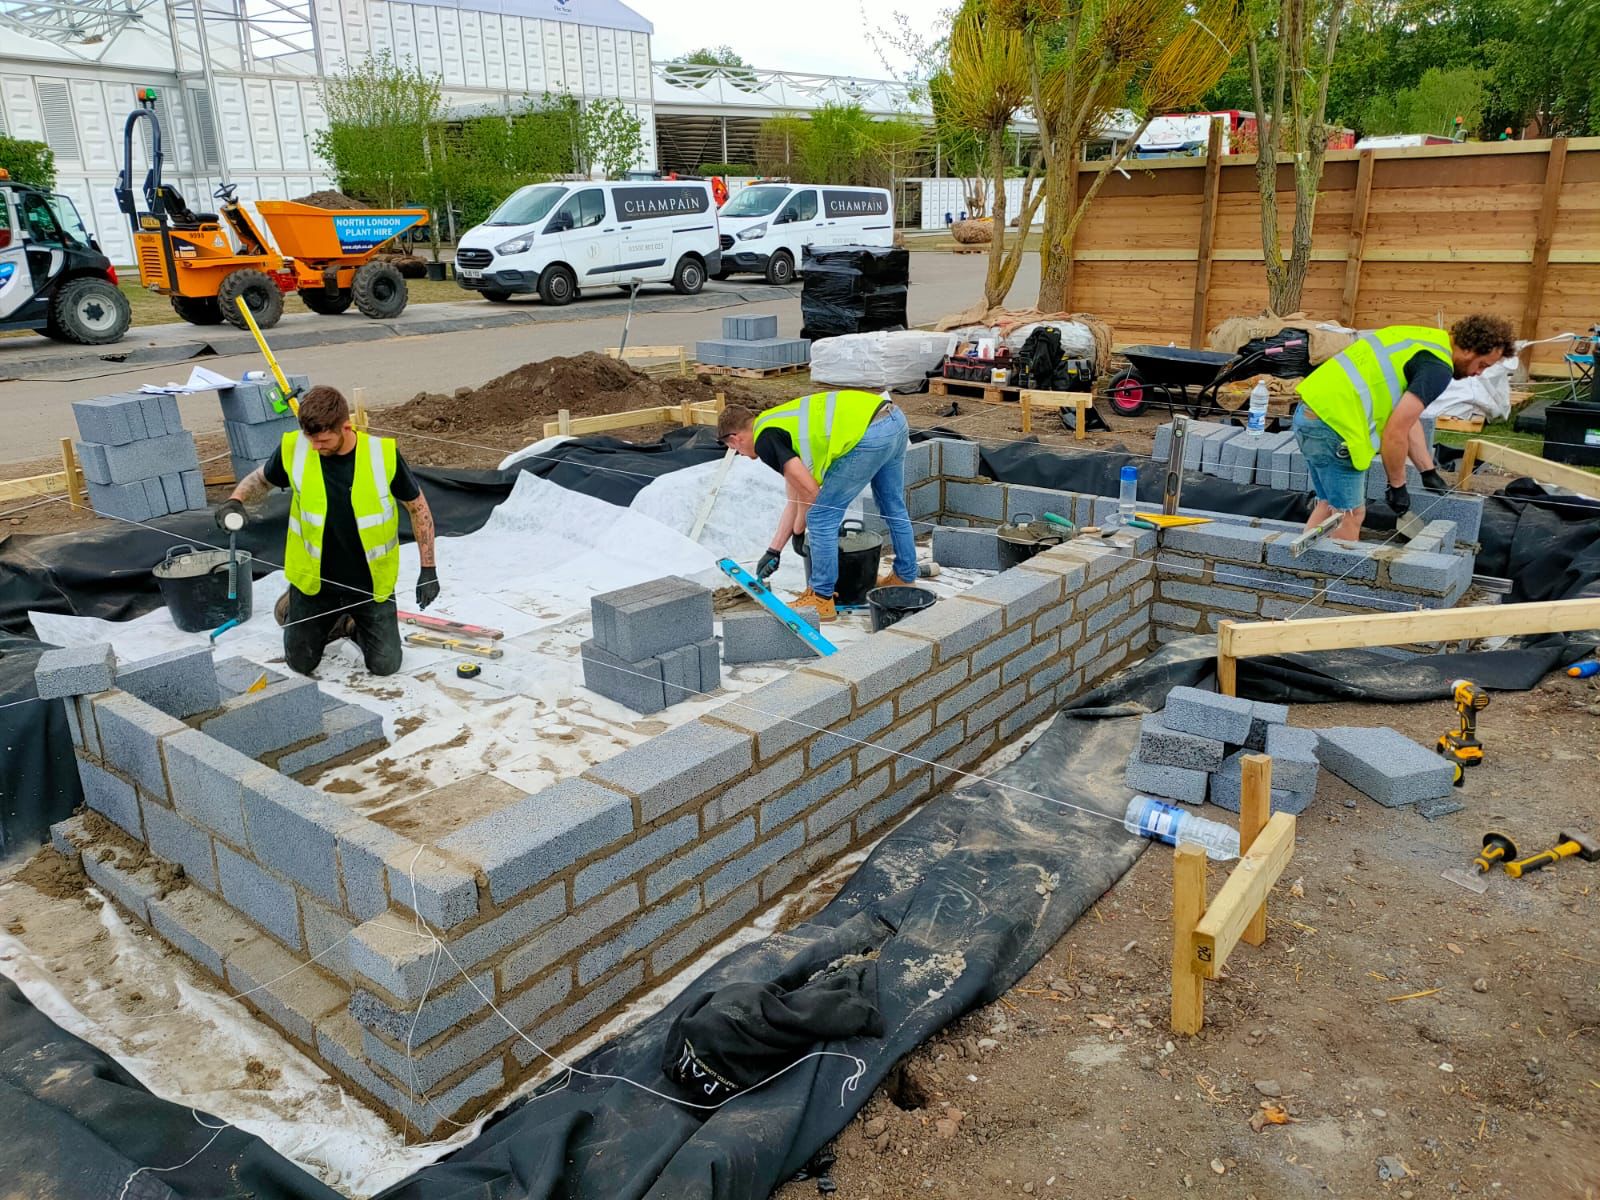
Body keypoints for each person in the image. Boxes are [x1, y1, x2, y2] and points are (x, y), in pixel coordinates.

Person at [216, 384, 439, 676]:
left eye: (322, 441)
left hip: (369, 586)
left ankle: (349, 623)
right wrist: (235, 501)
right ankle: (294, 606)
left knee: (386, 665)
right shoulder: (296, 448)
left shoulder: (381, 456)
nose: (315, 447)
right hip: (314, 583)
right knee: (301, 663)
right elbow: (260, 480)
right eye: (310, 439)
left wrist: (428, 569)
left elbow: (418, 508)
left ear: (345, 427)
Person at [1292, 314, 1516, 539]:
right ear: (1469, 350)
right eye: (1482, 365)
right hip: (1334, 426)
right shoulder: (1438, 367)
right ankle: (1334, 571)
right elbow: (1395, 432)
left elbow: (1408, 420)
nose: (1479, 373)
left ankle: (1302, 567)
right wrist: (1397, 485)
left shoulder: (1422, 339)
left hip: (1309, 414)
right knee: (1350, 514)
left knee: (1328, 504)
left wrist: (1428, 472)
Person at [718, 391, 918, 622]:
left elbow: (812, 493)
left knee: (822, 517)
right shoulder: (775, 423)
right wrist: (776, 549)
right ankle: (905, 576)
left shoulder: (765, 441)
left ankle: (820, 598)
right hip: (893, 419)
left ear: (734, 439)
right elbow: (797, 496)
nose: (741, 455)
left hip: (869, 434)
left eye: (735, 450)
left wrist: (804, 527)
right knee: (893, 506)